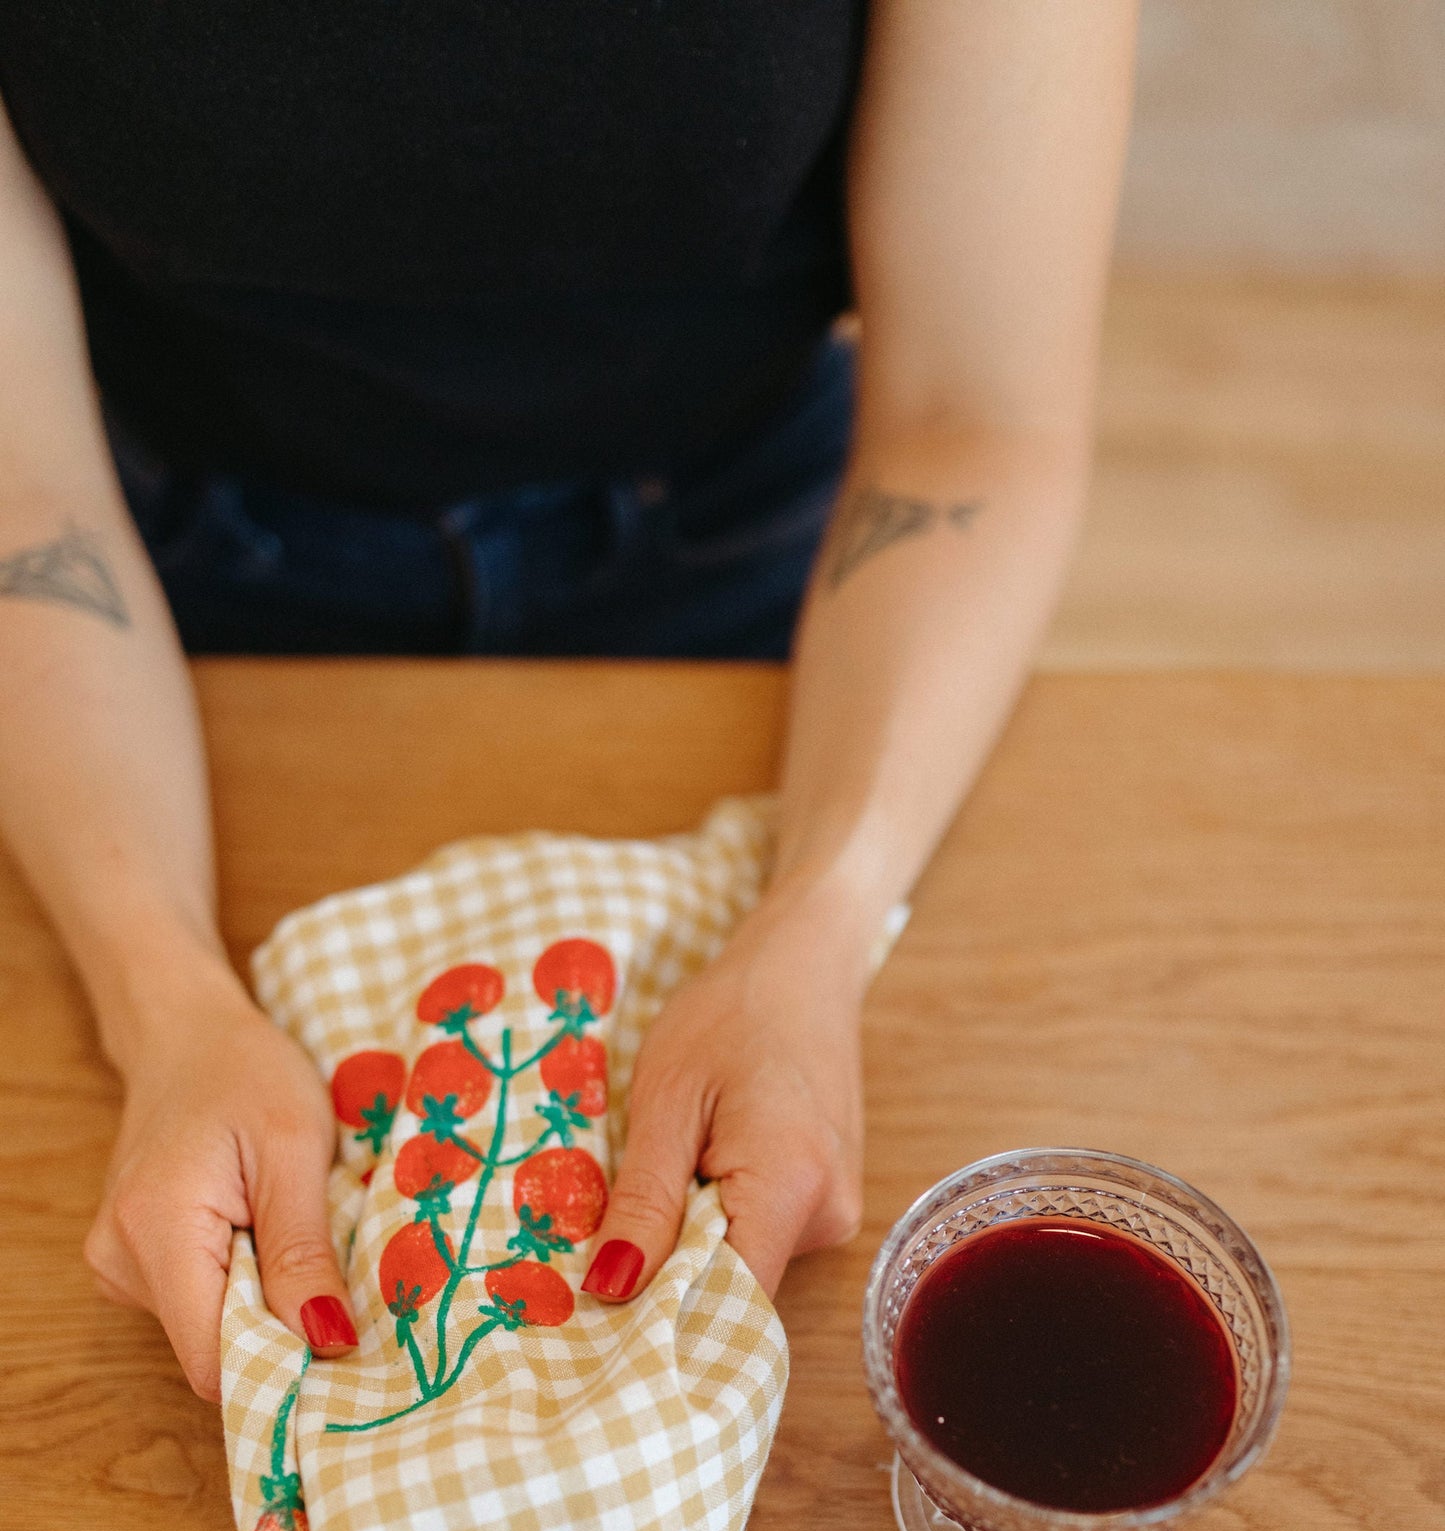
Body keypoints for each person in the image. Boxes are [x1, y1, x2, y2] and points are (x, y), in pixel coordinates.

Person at [0, 3, 1138, 1400]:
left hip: (780, 556)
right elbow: (22, 492)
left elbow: (974, 416)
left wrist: (825, 918)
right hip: (158, 572)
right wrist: (158, 998)